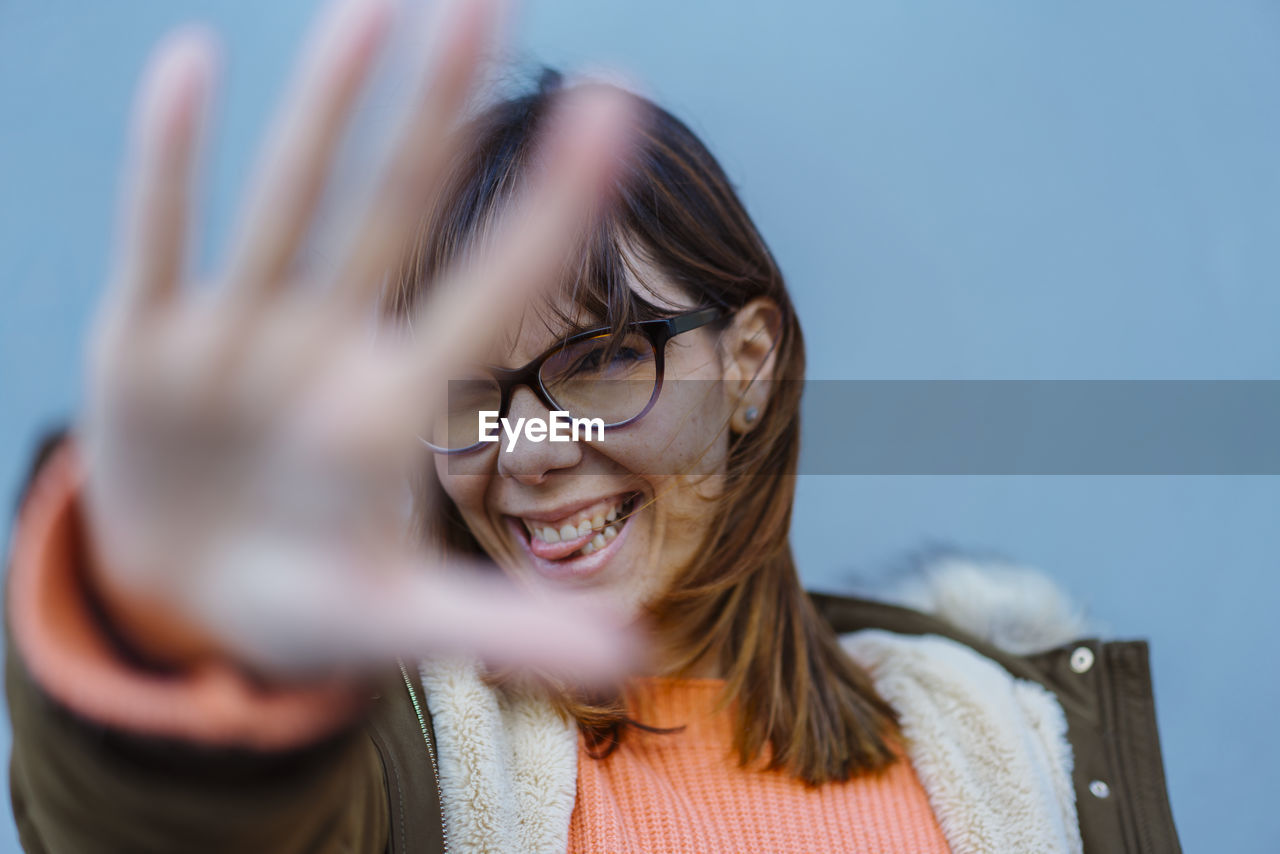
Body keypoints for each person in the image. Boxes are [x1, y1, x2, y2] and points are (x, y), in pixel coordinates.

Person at [5, 1, 1181, 851]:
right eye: (469, 396)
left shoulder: (1009, 742)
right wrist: (158, 643)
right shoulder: (393, 759)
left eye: (603, 358)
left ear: (749, 366)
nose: (534, 446)